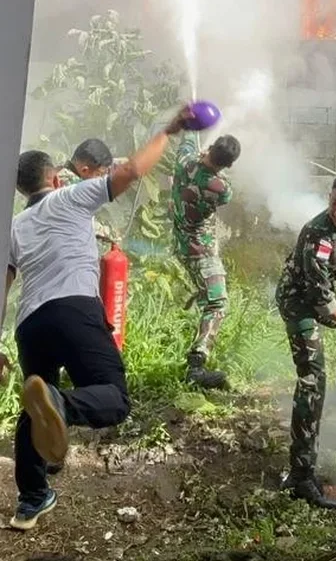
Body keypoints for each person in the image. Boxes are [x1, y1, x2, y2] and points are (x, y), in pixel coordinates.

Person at [0, 106, 191, 531]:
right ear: (55, 178)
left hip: (30, 324)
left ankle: (31, 500)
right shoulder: (71, 196)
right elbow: (132, 171)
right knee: (113, 398)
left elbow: (4, 285)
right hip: (73, 308)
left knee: (34, 407)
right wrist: (169, 130)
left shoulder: (13, 227)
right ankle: (62, 404)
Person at [276, 173, 336, 509]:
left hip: (323, 292)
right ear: (329, 198)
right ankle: (301, 475)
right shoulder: (318, 235)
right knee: (313, 380)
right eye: (334, 203)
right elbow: (320, 298)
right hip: (298, 302)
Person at [171, 130, 241, 390]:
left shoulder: (185, 162)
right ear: (229, 165)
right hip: (201, 252)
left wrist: (198, 147)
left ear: (210, 148)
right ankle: (196, 365)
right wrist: (211, 164)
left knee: (209, 299)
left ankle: (197, 361)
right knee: (217, 302)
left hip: (181, 243)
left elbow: (187, 140)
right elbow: (227, 191)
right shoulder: (219, 188)